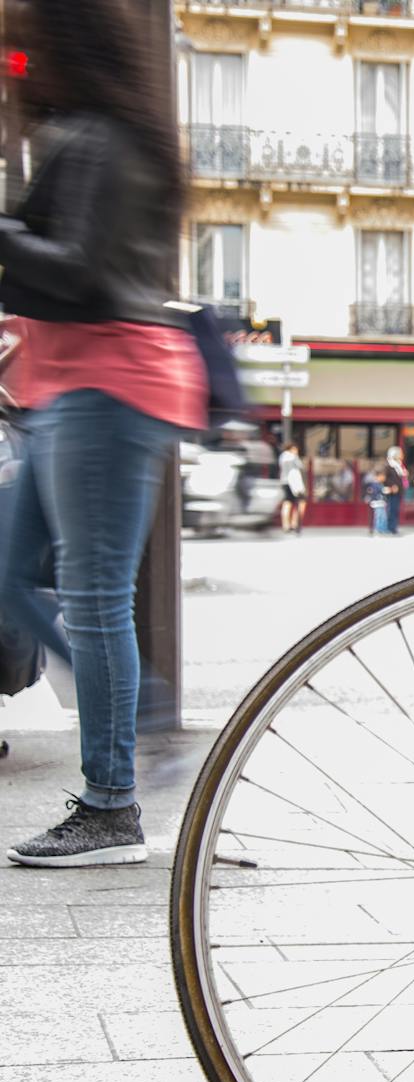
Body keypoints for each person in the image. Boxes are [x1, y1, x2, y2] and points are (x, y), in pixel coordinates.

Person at [0, 1, 207, 866]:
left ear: (59, 48)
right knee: (12, 575)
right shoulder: (88, 135)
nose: (18, 63)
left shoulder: (101, 141)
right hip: (69, 386)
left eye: (24, 49)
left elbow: (80, 271)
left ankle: (112, 804)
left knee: (91, 598)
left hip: (105, 386)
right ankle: (143, 717)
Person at [278, 441, 306, 535]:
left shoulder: (282, 457)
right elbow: (301, 466)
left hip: (284, 481)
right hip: (294, 483)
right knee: (300, 503)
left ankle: (286, 525)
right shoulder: (293, 457)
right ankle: (294, 523)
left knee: (287, 503)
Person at [379, 445, 407, 536]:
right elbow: (384, 478)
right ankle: (390, 527)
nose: (402, 455)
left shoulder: (398, 465)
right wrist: (391, 486)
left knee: (395, 510)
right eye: (400, 453)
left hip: (398, 492)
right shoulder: (388, 465)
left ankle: (394, 527)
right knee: (391, 510)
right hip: (391, 492)